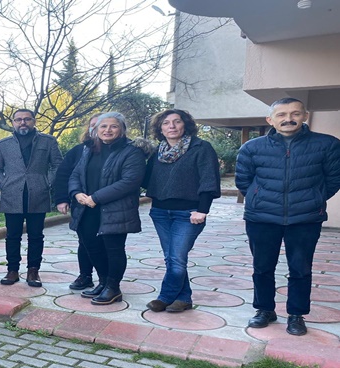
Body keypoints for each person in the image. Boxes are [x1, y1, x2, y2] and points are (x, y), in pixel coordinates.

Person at [236, 98, 340, 336]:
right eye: (281, 114)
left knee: (300, 269)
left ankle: (296, 314)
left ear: (305, 116)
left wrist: (313, 198)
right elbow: (244, 180)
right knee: (262, 267)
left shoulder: (327, 145)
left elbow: (334, 179)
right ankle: (265, 310)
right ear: (270, 120)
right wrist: (258, 197)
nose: (288, 119)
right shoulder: (252, 147)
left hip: (305, 219)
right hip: (262, 218)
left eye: (294, 113)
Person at [143, 109, 221, 313]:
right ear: (160, 128)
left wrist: (202, 210)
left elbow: (209, 179)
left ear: (185, 124)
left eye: (177, 122)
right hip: (160, 211)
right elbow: (145, 179)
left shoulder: (200, 148)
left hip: (189, 213)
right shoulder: (157, 151)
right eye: (166, 123)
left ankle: (165, 296)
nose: (172, 126)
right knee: (172, 257)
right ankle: (184, 298)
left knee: (177, 257)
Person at [69, 112, 148, 305]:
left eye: (113, 126)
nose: (108, 130)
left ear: (122, 129)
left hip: (114, 209)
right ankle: (103, 282)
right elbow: (75, 174)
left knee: (113, 250)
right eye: (103, 126)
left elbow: (130, 181)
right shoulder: (89, 149)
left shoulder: (131, 151)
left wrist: (96, 197)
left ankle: (113, 288)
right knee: (92, 247)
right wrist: (76, 192)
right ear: (96, 129)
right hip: (86, 208)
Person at [0, 109, 63, 287]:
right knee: (12, 235)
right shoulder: (3, 144)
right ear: (13, 122)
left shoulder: (48, 141)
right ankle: (12, 270)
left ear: (34, 121)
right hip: (12, 195)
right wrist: (3, 183)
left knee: (36, 236)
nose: (22, 122)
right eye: (18, 120)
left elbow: (57, 165)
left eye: (27, 119)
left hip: (38, 194)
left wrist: (47, 182)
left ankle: (33, 270)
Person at [53, 114, 100, 290]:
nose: (97, 129)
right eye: (93, 125)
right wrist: (62, 199)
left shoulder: (122, 150)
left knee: (109, 245)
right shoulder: (78, 150)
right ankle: (85, 276)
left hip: (110, 206)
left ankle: (109, 280)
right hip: (82, 204)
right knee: (85, 242)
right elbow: (64, 174)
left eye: (102, 125)